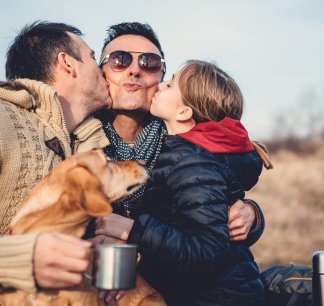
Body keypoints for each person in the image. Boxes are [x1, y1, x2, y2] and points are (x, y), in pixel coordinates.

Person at [126, 60, 267, 305]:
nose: (160, 86)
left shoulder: (191, 161)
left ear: (183, 112)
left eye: (169, 85)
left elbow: (207, 250)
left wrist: (133, 228)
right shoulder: (194, 154)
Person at [0, 21, 112, 292]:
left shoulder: (92, 146)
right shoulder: (3, 119)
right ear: (68, 63)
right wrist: (18, 258)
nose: (104, 72)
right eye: (93, 58)